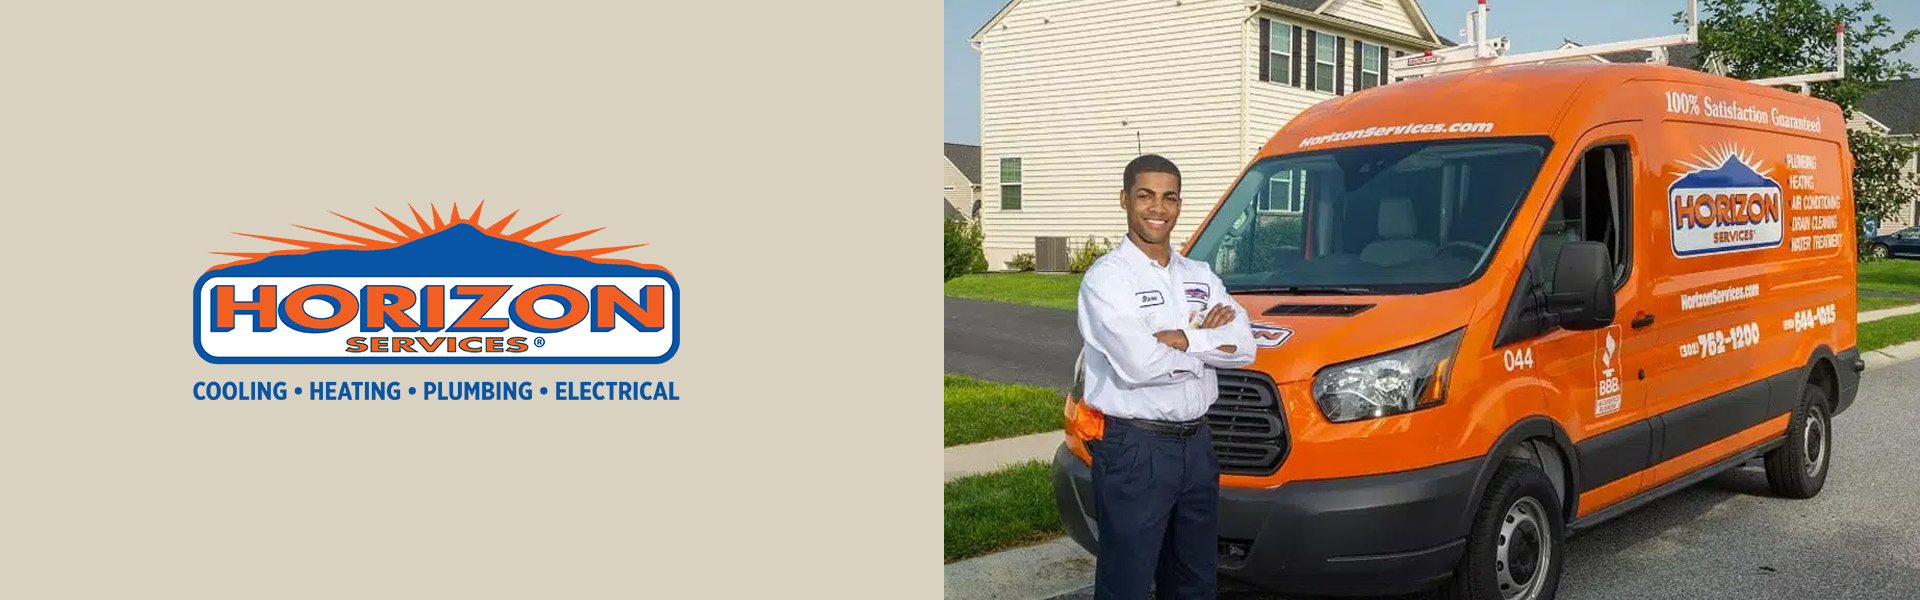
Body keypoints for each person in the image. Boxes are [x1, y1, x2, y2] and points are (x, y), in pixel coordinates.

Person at [1076, 154, 1256, 599]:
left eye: (1169, 197)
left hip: (1197, 447)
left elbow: (1246, 345)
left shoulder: (1200, 275)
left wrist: (1181, 339)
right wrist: (1207, 344)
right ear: (1125, 200)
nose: (1159, 208)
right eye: (1146, 196)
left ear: (1179, 204)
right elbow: (1139, 364)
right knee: (1128, 584)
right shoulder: (1107, 280)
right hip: (1136, 450)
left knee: (1195, 581)